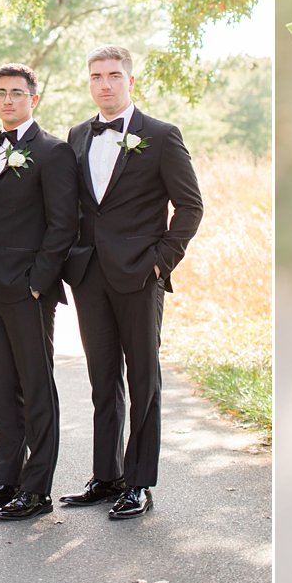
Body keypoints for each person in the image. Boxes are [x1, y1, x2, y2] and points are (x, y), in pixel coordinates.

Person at [59, 45, 203, 520]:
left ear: (130, 81)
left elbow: (190, 206)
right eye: (97, 76)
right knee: (103, 379)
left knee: (143, 378)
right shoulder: (78, 135)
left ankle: (139, 482)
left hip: (141, 274)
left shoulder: (161, 136)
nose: (105, 84)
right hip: (89, 275)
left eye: (114, 75)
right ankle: (107, 476)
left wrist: (162, 262)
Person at [0, 63, 79, 521]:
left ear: (34, 99)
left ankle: (37, 489)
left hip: (27, 288)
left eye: (16, 93)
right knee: (2, 386)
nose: (7, 100)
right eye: (0, 92)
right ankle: (6, 481)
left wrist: (38, 282)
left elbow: (63, 223)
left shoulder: (52, 152)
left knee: (37, 386)